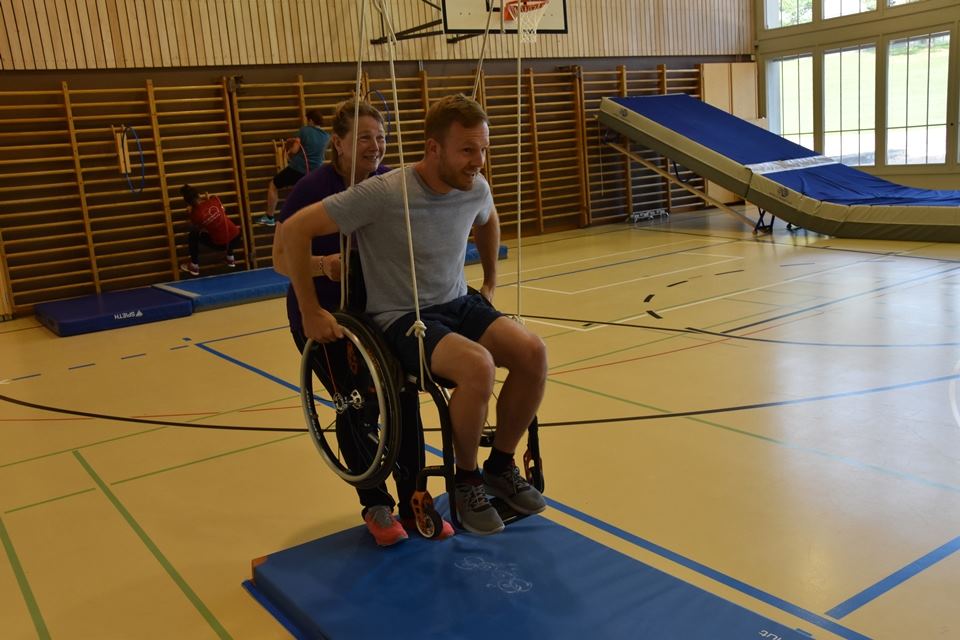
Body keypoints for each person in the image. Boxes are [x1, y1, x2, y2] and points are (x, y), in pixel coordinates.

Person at [281, 94, 548, 536]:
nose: (477, 161)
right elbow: (293, 231)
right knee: (477, 367)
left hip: (458, 301)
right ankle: (466, 482)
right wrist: (310, 311)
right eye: (467, 150)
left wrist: (491, 280)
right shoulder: (385, 192)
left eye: (483, 149)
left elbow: (488, 217)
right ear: (433, 148)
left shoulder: (474, 185)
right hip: (403, 315)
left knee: (533, 353)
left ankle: (500, 467)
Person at [272, 99, 453, 546]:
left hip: (380, 316)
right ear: (338, 142)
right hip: (324, 320)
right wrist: (323, 266)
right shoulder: (311, 188)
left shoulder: (392, 183)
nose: (376, 146)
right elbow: (279, 259)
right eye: (365, 138)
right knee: (357, 405)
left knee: (405, 399)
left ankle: (415, 497)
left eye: (382, 137)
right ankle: (375, 504)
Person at [258, 108, 330, 226]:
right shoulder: (326, 136)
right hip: (315, 173)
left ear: (310, 120)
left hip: (298, 169)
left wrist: (289, 151)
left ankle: (269, 216)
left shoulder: (304, 131)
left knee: (274, 184)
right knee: (305, 196)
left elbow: (296, 149)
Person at [179, 185, 240, 276]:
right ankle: (230, 257)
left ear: (187, 202)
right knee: (226, 226)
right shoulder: (215, 199)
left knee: (193, 235)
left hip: (222, 245)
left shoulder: (194, 215)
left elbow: (198, 227)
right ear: (199, 195)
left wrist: (190, 212)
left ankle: (194, 265)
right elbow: (224, 209)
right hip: (237, 237)